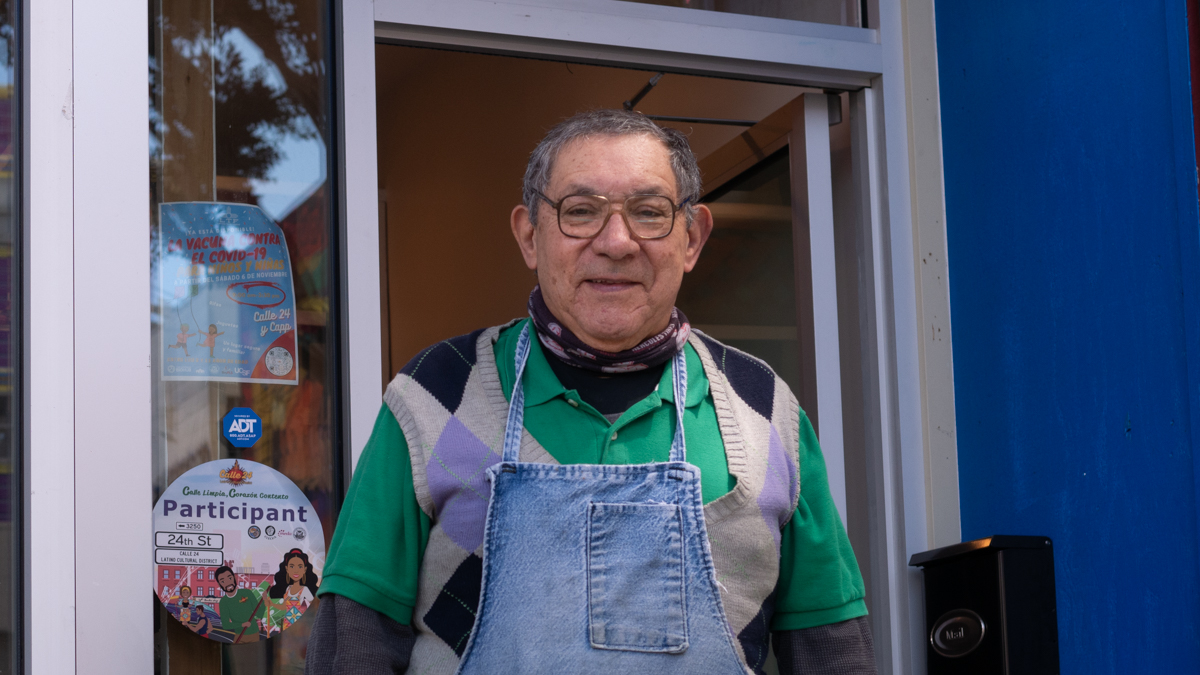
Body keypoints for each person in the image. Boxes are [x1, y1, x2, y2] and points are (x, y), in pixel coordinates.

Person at [306, 109, 875, 674]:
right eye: (581, 212)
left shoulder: (764, 407)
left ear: (692, 238)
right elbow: (353, 646)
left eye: (649, 213)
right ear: (530, 236)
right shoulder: (437, 393)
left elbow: (833, 650)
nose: (617, 241)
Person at [266, 548, 320, 632]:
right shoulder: (288, 589)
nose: (295, 570)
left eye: (300, 566)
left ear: (304, 569)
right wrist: (271, 604)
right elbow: (284, 607)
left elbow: (309, 611)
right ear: (287, 568)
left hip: (300, 630)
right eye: (292, 566)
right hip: (286, 629)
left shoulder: (305, 590)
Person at [216, 565, 266, 644]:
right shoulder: (223, 602)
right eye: (222, 581)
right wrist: (242, 624)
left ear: (234, 578)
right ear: (219, 585)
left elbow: (259, 614)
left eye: (230, 578)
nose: (228, 583)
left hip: (254, 635)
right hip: (239, 636)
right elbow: (226, 625)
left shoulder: (247, 593)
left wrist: (264, 601)